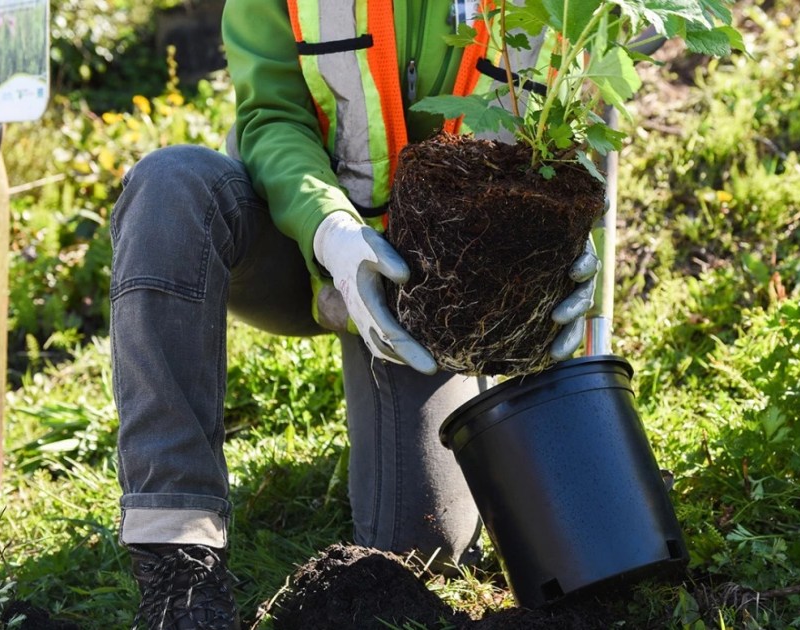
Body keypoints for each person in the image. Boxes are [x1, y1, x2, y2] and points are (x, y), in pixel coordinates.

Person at [109, 0, 598, 627]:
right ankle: (177, 559)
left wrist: (566, 234)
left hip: (437, 297)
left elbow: (577, 129)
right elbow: (272, 118)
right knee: (170, 184)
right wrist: (332, 235)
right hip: (301, 240)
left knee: (422, 547)